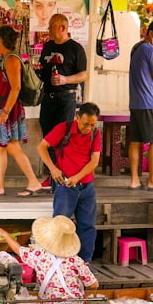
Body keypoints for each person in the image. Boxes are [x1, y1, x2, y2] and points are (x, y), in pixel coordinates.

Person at [0, 25, 44, 197]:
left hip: (8, 109)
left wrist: (5, 112)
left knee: (11, 146)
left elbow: (15, 88)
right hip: (4, 108)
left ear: (1, 40)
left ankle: (33, 181)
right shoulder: (8, 58)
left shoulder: (12, 59)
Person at [37, 102, 102, 263]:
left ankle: (84, 263)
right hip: (65, 186)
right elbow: (41, 147)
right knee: (60, 225)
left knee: (87, 226)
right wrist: (53, 169)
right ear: (77, 118)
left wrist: (78, 177)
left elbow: (94, 161)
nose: (88, 128)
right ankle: (57, 262)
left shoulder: (95, 134)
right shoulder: (64, 128)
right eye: (86, 124)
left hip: (87, 186)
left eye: (92, 125)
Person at [0, 215, 99, 304]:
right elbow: (93, 285)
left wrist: (5, 235)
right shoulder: (76, 260)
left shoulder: (39, 256)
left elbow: (18, 250)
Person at [38, 13, 87, 191]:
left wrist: (66, 79)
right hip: (48, 97)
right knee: (47, 138)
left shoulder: (76, 49)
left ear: (63, 28)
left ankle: (64, 176)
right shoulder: (47, 46)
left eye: (51, 26)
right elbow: (43, 69)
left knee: (63, 138)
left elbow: (84, 74)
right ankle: (51, 175)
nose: (48, 29)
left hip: (66, 97)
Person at [128, 19, 153, 191]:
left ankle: (134, 180)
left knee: (135, 141)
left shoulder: (136, 48)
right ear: (151, 33)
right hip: (148, 102)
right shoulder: (151, 50)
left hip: (135, 102)